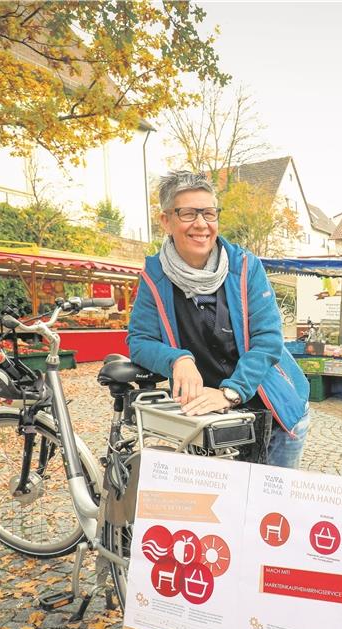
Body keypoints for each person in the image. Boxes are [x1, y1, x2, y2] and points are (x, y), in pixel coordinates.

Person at [128, 170, 311, 468]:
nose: (201, 224)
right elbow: (139, 341)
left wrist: (231, 391)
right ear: (166, 221)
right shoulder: (154, 277)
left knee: (268, 507)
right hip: (214, 419)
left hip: (273, 409)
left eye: (209, 213)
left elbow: (269, 340)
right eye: (188, 213)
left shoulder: (245, 267)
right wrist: (177, 360)